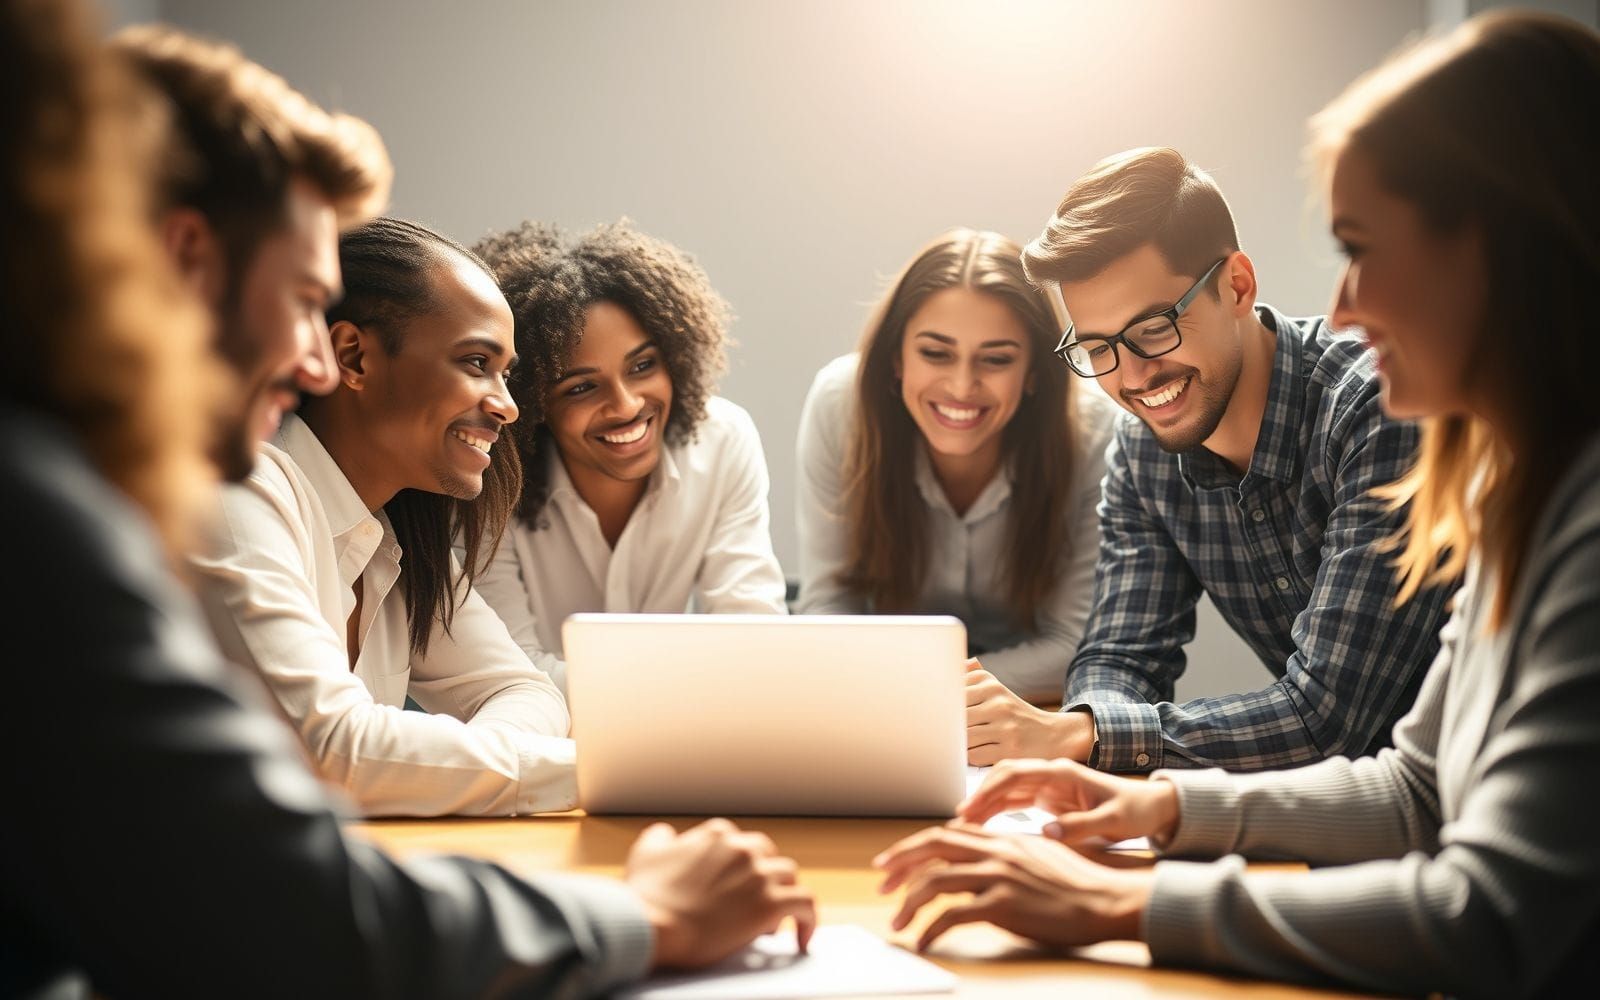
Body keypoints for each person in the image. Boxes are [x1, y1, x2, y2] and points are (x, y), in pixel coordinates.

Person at [3, 6, 812, 997]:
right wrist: (643, 896)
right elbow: (317, 836)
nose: (307, 353)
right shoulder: (83, 516)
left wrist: (503, 757)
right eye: (305, 300)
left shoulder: (395, 538)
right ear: (186, 262)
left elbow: (522, 697)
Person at [875, 11, 1600, 997]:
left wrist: (1119, 900)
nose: (1341, 303)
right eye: (1097, 350)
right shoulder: (1521, 487)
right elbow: (1412, 789)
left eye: (1361, 248)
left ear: (1494, 251)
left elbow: (1485, 904)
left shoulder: (1549, 505)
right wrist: (1149, 806)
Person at [963, 146, 1455, 770]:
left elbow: (1328, 718)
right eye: (1098, 348)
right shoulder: (1143, 455)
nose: (1134, 376)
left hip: (1476, 803)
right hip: (1337, 813)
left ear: (1238, 286)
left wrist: (1077, 738)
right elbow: (1120, 658)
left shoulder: (1377, 412)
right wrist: (1081, 752)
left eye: (1153, 328)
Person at [191, 217, 579, 817]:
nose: (506, 405)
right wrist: (591, 774)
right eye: (476, 363)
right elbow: (330, 751)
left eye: (505, 373)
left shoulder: (394, 538)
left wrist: (458, 765)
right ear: (354, 357)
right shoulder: (240, 492)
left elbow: (522, 688)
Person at [795, 229, 1117, 705]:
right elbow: (827, 607)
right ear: (896, 358)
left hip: (1024, 708)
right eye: (935, 353)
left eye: (996, 359)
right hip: (876, 702)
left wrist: (912, 686)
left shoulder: (1094, 431)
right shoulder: (840, 404)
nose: (962, 386)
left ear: (1032, 372)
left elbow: (1074, 647)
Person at [471, 221, 786, 691]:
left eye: (643, 366)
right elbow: (512, 676)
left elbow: (753, 640)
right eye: (581, 387)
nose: (626, 405)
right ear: (533, 403)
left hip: (686, 736)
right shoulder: (489, 477)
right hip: (542, 743)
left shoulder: (722, 440)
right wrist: (689, 688)